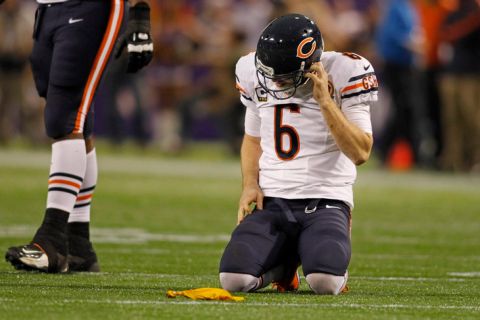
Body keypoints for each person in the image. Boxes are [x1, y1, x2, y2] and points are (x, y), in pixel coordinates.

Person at [219, 14, 378, 294]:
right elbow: (252, 139)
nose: (276, 83)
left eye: (284, 75)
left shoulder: (346, 70)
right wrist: (249, 185)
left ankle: (311, 257)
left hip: (326, 199)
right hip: (273, 200)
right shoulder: (249, 67)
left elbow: (361, 152)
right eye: (271, 74)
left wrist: (325, 101)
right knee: (233, 279)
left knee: (324, 283)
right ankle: (285, 265)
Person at [3, 0, 153, 273]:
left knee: (65, 115)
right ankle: (78, 244)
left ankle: (52, 240)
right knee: (75, 121)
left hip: (90, 7)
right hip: (48, 9)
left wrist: (140, 12)